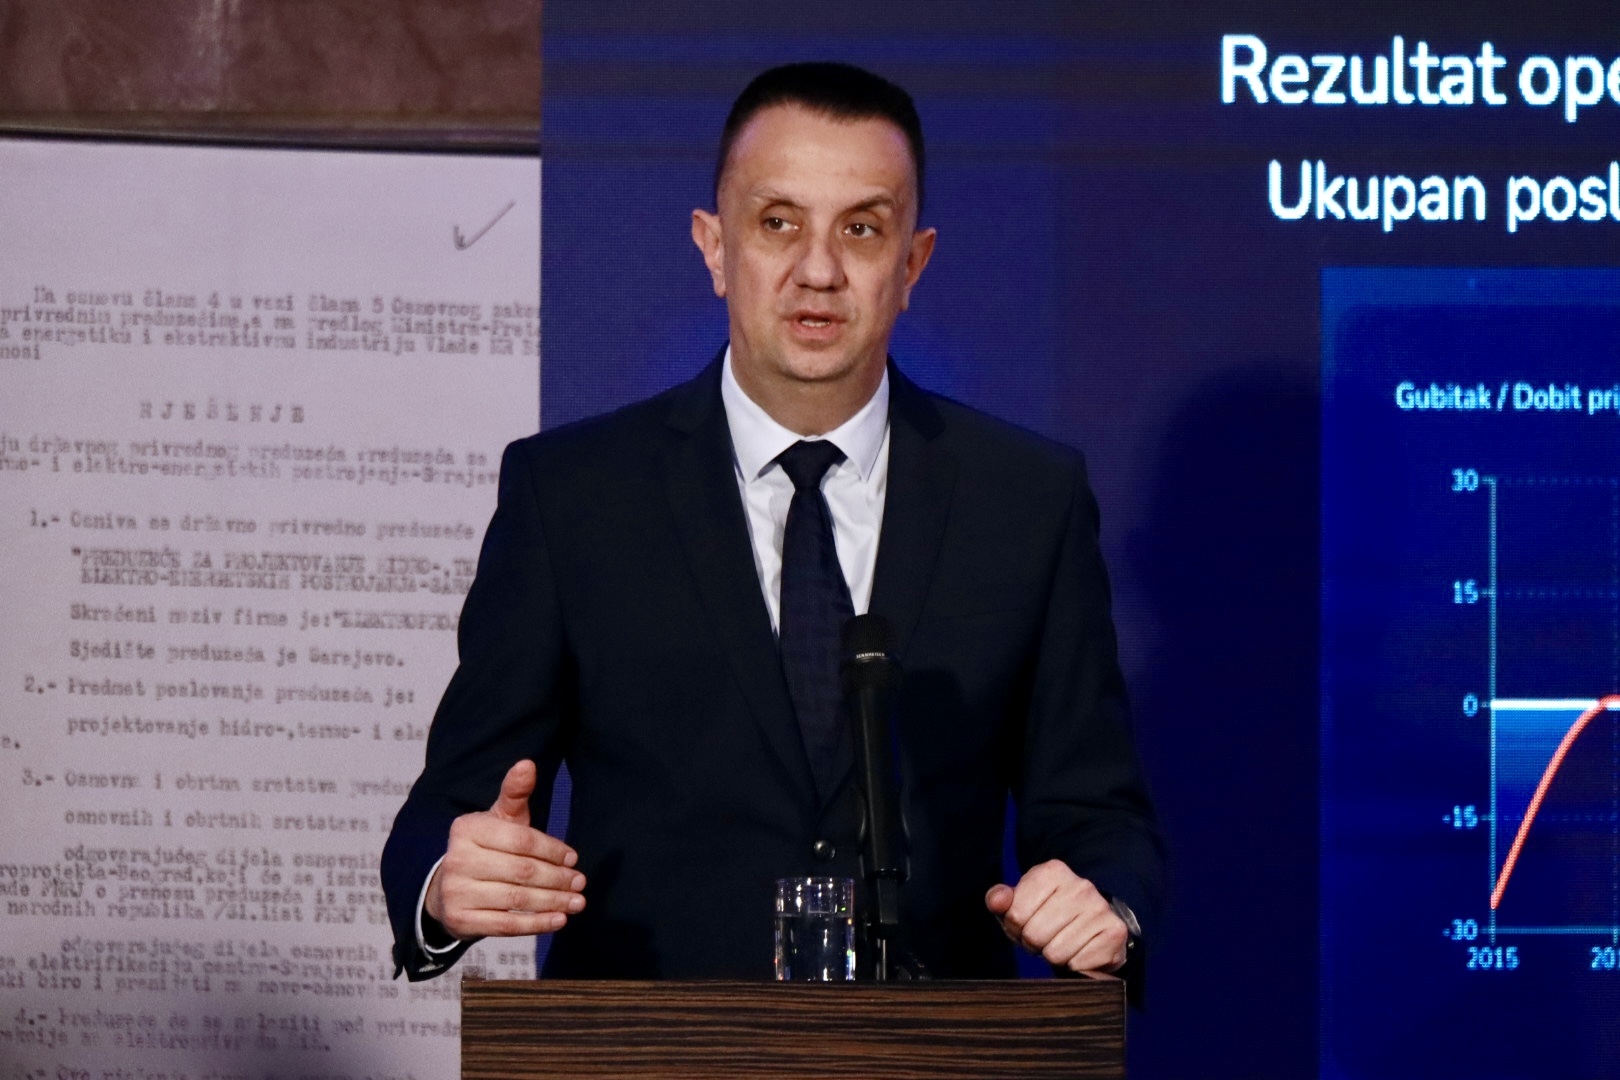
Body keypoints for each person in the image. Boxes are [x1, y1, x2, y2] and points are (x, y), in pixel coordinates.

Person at [381, 61, 1164, 986]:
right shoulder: (572, 495)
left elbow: (1098, 817)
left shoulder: (1026, 499)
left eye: (862, 229)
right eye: (779, 223)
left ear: (912, 264)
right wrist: (446, 882)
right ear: (716, 248)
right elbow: (451, 807)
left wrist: (1107, 906)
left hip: (929, 1044)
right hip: (650, 1044)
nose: (818, 271)